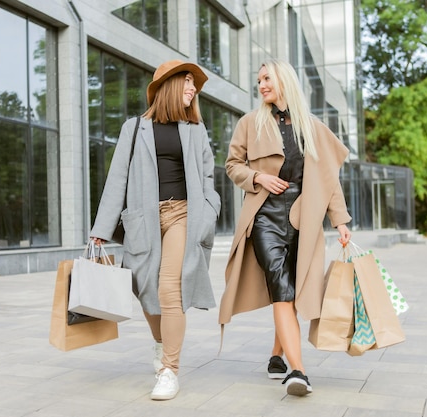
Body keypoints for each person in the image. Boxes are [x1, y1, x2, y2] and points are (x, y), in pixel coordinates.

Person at [218, 59, 352, 396]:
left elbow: (328, 180)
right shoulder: (249, 123)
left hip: (303, 217)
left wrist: (340, 220)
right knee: (281, 285)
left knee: (290, 290)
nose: (261, 84)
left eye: (266, 78)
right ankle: (299, 371)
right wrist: (257, 176)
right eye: (258, 79)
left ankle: (277, 355)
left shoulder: (312, 127)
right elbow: (232, 165)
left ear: (284, 80)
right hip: (264, 215)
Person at [90, 59, 221, 401]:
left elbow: (208, 178)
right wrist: (101, 229)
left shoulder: (196, 130)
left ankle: (169, 370)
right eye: (188, 82)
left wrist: (209, 211)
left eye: (195, 84)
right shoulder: (134, 128)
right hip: (144, 219)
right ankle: (162, 342)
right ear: (169, 85)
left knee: (168, 289)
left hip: (183, 215)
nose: (193, 89)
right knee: (145, 289)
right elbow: (117, 178)